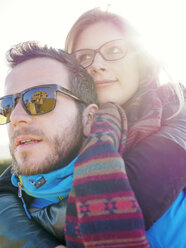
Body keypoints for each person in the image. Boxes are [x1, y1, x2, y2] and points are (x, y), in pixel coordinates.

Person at [0, 41, 151, 247]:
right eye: (6, 106)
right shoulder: (9, 199)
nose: (15, 117)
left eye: (40, 98)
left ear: (89, 118)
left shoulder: (160, 212)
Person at [64, 7, 186, 247]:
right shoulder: (58, 134)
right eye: (84, 57)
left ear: (140, 62)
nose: (96, 65)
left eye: (115, 50)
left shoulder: (176, 114)